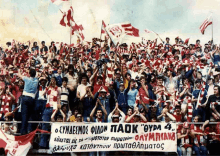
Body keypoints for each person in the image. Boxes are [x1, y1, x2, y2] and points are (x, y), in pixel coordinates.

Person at [17, 68, 39, 135]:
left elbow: (19, 75)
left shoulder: (26, 79)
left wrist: (19, 70)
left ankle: (23, 133)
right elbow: (37, 75)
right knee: (30, 116)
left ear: (29, 74)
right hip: (32, 99)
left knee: (24, 116)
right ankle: (29, 131)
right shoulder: (36, 80)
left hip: (25, 98)